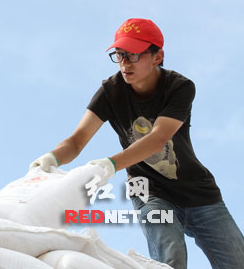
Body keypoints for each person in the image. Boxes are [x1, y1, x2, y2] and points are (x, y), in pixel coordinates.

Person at [30, 18, 244, 269]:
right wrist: (52, 158)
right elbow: (77, 140)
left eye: (133, 55)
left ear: (157, 56)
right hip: (150, 192)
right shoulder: (110, 92)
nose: (124, 63)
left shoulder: (179, 87)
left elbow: (158, 138)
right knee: (171, 258)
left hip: (199, 191)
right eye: (119, 55)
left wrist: (109, 164)